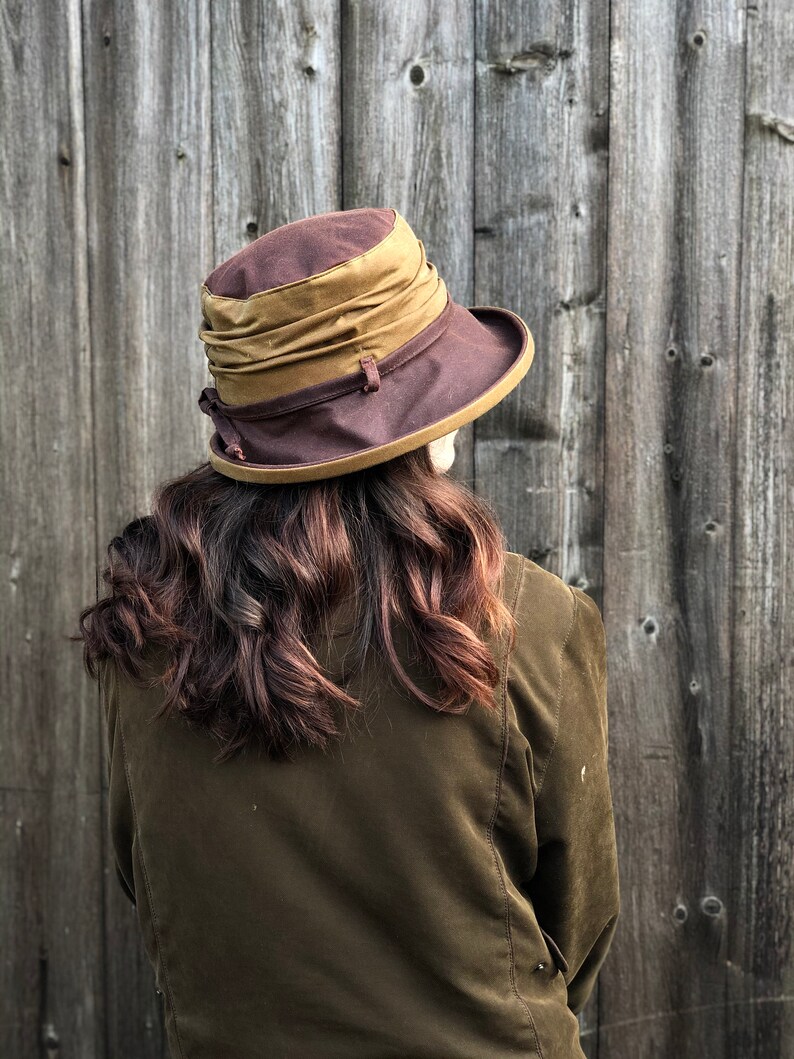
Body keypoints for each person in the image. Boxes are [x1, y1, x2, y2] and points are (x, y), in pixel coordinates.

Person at [77, 206, 620, 1058]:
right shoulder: (530, 622)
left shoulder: (144, 634)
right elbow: (576, 926)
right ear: (421, 414)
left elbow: (143, 881)